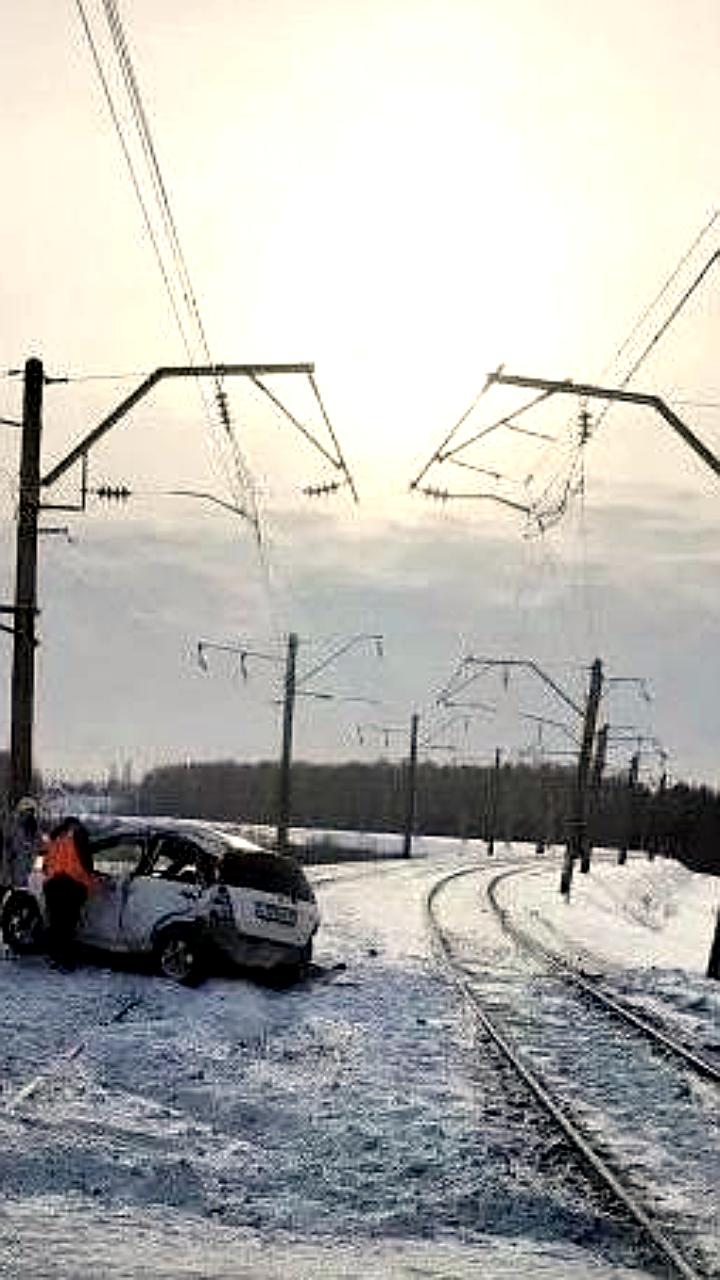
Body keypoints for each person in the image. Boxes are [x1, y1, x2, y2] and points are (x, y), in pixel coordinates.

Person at [42, 816, 94, 970]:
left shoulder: (55, 837)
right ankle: (66, 962)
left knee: (56, 923)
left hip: (52, 885)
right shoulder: (79, 834)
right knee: (68, 924)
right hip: (72, 884)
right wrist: (92, 880)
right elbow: (87, 863)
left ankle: (54, 958)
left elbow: (45, 865)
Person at [2, 797, 46, 890]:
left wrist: (38, 870)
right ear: (21, 812)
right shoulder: (13, 828)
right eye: (26, 811)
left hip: (31, 874)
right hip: (17, 872)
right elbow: (8, 852)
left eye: (30, 811)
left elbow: (41, 851)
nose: (28, 814)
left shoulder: (36, 829)